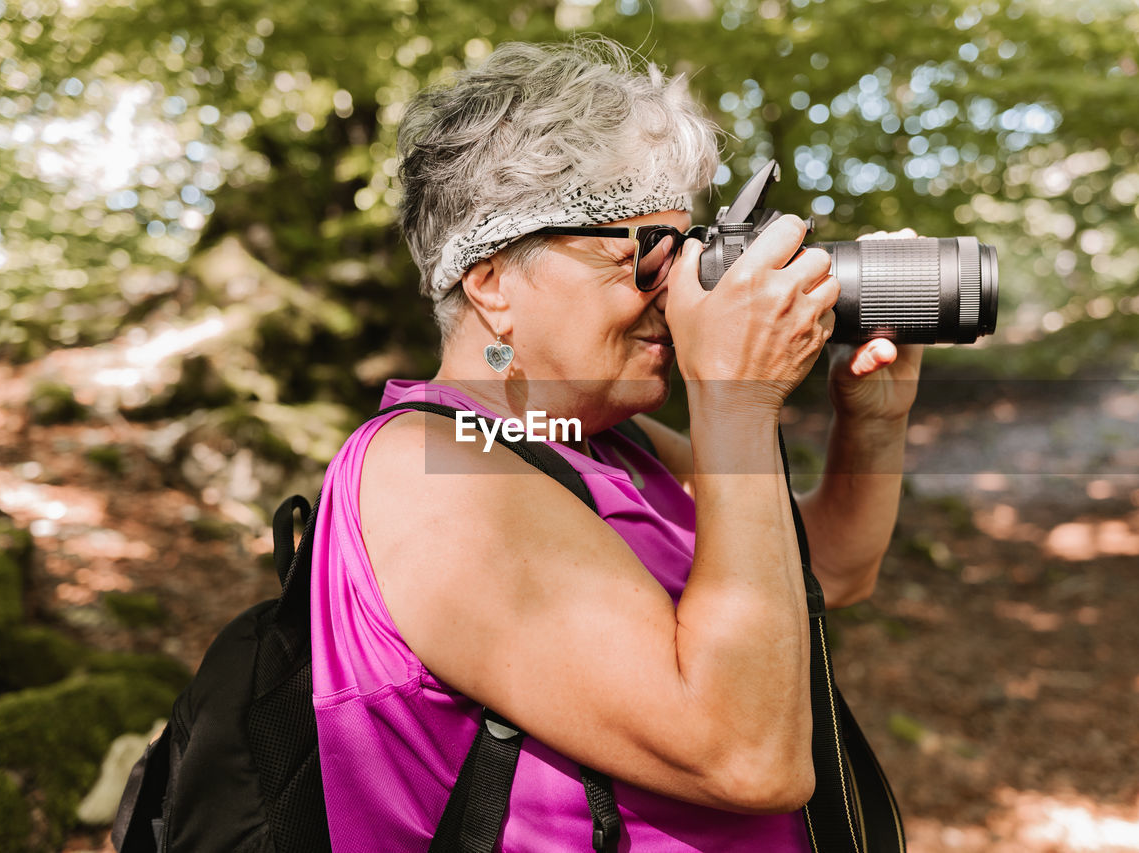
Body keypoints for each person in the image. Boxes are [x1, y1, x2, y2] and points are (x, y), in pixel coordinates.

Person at [309, 38, 923, 851]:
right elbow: (747, 756)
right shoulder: (435, 474)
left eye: (685, 249)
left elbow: (827, 571)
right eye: (645, 254)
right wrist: (734, 398)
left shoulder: (605, 442)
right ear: (492, 279)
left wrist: (871, 421)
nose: (677, 289)